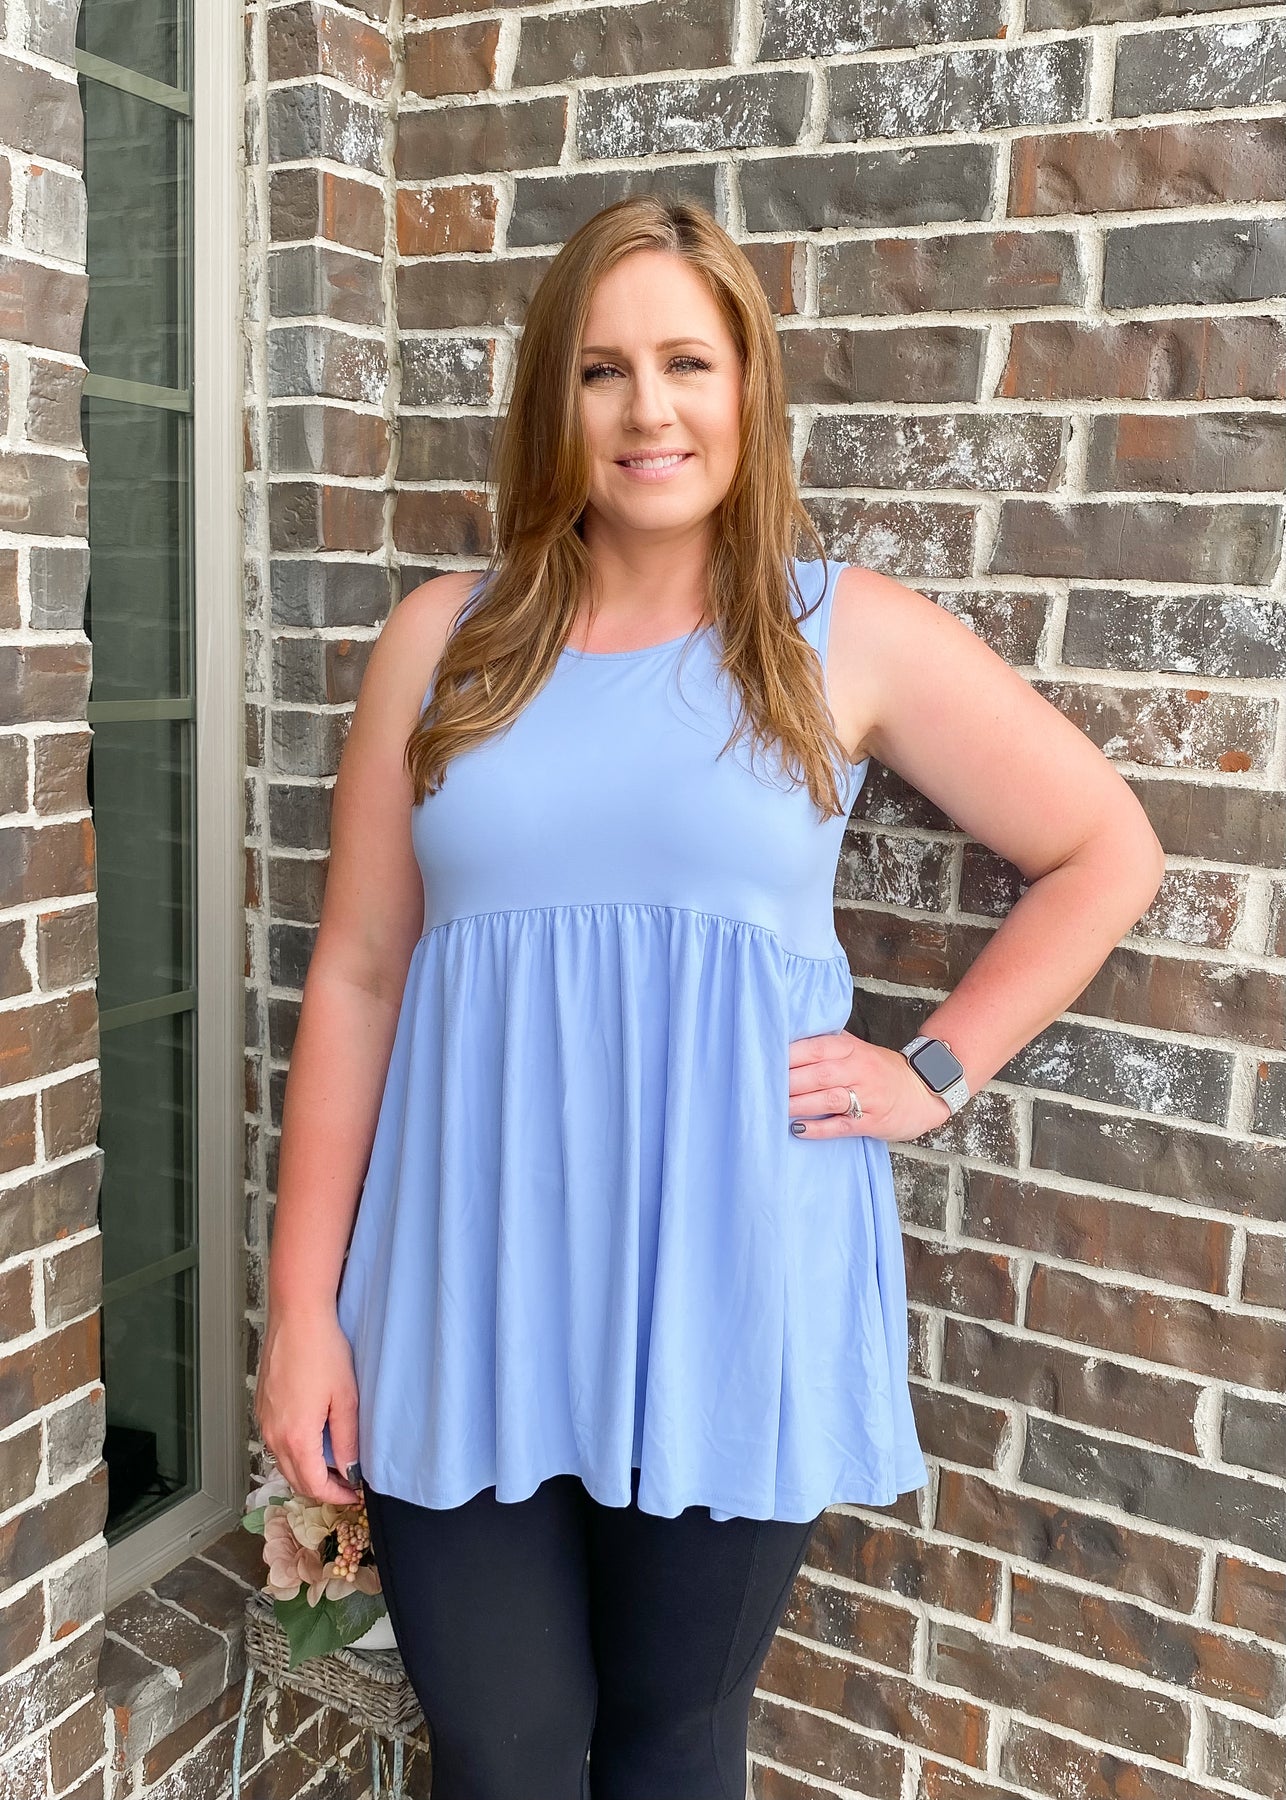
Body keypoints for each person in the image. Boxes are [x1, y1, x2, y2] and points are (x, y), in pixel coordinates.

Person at [255, 193, 1166, 1800]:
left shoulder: (839, 635)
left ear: (746, 388)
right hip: (461, 1280)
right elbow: (359, 973)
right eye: (601, 369)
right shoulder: (439, 642)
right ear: (553, 399)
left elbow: (1104, 849)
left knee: (672, 1747)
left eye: (686, 362)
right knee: (498, 1754)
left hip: (731, 1275)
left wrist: (933, 1071)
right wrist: (301, 1308)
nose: (647, 410)